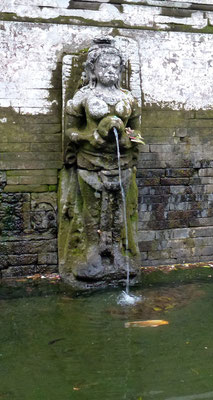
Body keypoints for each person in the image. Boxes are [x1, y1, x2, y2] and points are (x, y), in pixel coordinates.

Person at [59, 36, 143, 284]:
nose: (110, 71)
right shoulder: (83, 97)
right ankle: (92, 251)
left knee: (119, 209)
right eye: (104, 66)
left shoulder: (128, 98)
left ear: (121, 69)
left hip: (122, 164)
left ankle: (116, 249)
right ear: (92, 69)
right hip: (91, 162)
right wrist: (88, 137)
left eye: (115, 67)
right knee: (92, 210)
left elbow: (137, 133)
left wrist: (130, 140)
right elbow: (69, 131)